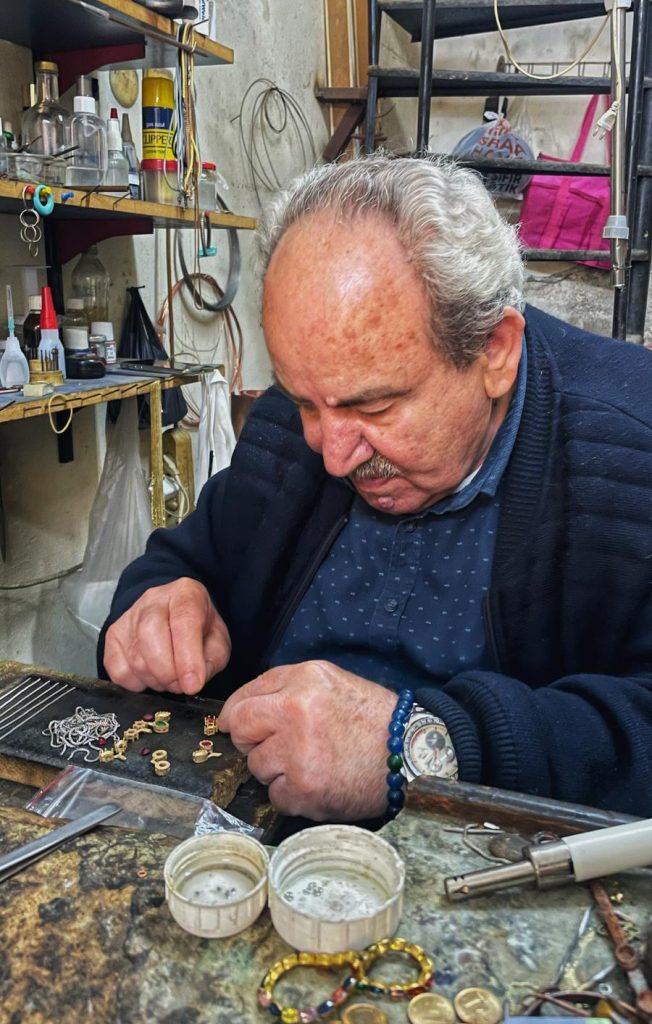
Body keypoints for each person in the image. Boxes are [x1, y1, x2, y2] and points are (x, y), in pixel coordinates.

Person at [100, 155, 652, 821]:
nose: (334, 456)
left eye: (376, 408)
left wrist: (426, 748)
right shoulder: (295, 422)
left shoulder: (628, 450)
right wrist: (160, 605)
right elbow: (186, 559)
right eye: (305, 401)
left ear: (495, 352)